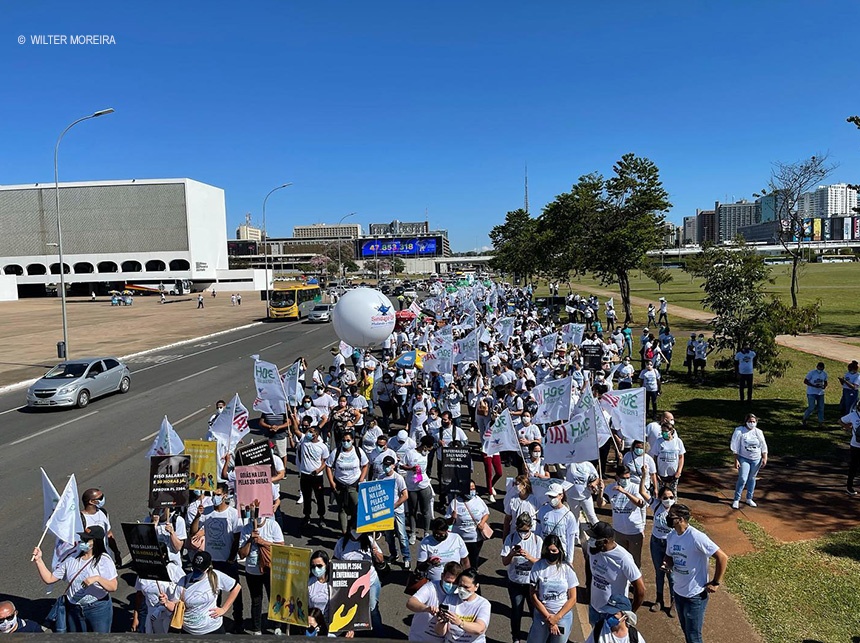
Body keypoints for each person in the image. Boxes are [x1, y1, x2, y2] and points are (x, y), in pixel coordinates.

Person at [33, 525, 117, 633]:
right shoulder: (71, 559)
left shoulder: (103, 560)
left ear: (96, 542)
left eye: (86, 540)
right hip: (75, 608)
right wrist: (39, 560)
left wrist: (97, 579)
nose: (83, 542)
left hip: (97, 608)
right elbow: (49, 578)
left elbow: (113, 586)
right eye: (82, 539)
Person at [663, 504, 728, 643]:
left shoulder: (697, 537)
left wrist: (716, 582)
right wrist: (667, 563)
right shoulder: (671, 536)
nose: (667, 518)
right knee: (686, 631)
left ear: (680, 519)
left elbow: (722, 557)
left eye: (671, 516)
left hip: (695, 596)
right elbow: (668, 556)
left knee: (694, 636)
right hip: (678, 592)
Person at [189, 482, 244, 632]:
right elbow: (194, 531)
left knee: (234, 590)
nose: (215, 497)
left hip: (228, 561)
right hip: (211, 562)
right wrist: (198, 516)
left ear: (225, 495)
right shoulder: (206, 511)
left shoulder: (233, 513)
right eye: (213, 494)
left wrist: (232, 558)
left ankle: (238, 620)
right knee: (213, 592)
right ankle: (215, 619)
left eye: (218, 495)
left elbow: (237, 537)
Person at [163, 550, 242, 636]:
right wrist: (166, 602)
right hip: (189, 631)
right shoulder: (183, 581)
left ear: (208, 568)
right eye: (195, 568)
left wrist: (223, 609)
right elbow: (176, 607)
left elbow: (236, 587)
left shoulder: (216, 576)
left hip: (213, 630)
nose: (196, 572)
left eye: (200, 570)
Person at [238, 506, 285, 635]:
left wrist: (263, 542)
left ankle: (277, 625)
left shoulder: (273, 525)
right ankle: (256, 628)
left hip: (270, 569)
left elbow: (281, 546)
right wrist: (250, 540)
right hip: (252, 571)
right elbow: (242, 554)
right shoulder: (246, 529)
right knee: (256, 600)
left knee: (274, 597)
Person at [526, 535, 579, 643]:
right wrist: (548, 618)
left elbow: (573, 598)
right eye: (548, 550)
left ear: (559, 550)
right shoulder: (538, 566)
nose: (551, 553)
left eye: (554, 550)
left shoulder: (567, 568)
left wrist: (556, 618)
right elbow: (533, 595)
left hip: (562, 617)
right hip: (542, 615)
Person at [501, 513, 543, 643]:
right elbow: (504, 562)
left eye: (525, 530)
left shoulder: (537, 540)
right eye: (520, 530)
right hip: (515, 583)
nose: (523, 533)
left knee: (534, 613)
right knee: (516, 611)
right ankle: (516, 637)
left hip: (531, 584)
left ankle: (535, 636)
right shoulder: (511, 538)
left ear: (530, 527)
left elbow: (541, 563)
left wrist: (529, 557)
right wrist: (512, 553)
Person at [334, 527, 384, 632]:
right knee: (350, 609)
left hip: (370, 582)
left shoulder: (370, 541)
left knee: (372, 609)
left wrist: (375, 552)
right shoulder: (342, 542)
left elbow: (381, 560)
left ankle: (380, 635)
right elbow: (335, 560)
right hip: (350, 583)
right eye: (353, 528)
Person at [597, 466, 647, 568]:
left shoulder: (635, 487)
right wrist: (600, 492)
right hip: (618, 531)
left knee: (635, 560)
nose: (626, 480)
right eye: (624, 478)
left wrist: (625, 492)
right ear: (617, 477)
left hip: (634, 531)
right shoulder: (610, 488)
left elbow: (641, 504)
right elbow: (600, 504)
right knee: (620, 559)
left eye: (628, 478)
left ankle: (635, 582)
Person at [406, 561, 463, 643]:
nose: (451, 585)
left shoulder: (459, 593)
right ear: (442, 576)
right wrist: (427, 608)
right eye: (448, 582)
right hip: (420, 638)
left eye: (455, 583)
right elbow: (411, 602)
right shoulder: (431, 587)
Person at [325, 430, 369, 535]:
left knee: (358, 508)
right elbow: (328, 466)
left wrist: (362, 478)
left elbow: (365, 465)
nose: (346, 442)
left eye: (348, 440)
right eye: (344, 440)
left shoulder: (358, 451)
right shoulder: (336, 452)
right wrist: (331, 482)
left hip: (354, 485)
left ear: (353, 440)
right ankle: (344, 533)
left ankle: (355, 529)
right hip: (340, 485)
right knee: (342, 509)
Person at [644, 486, 676, 616]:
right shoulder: (656, 506)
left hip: (670, 545)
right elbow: (642, 492)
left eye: (671, 497)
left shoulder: (676, 510)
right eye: (665, 497)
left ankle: (674, 602)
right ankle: (659, 600)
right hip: (656, 543)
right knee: (659, 573)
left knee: (671, 575)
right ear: (660, 498)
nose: (668, 500)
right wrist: (645, 475)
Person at [435, 568, 491, 643]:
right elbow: (440, 632)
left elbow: (480, 629)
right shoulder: (450, 599)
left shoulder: (483, 604)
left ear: (476, 587)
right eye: (460, 586)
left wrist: (460, 623)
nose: (462, 590)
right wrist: (442, 622)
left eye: (466, 587)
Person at [294, 419, 330, 530]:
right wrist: (292, 417)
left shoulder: (322, 446)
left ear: (316, 434)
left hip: (317, 477)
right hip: (305, 474)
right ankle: (307, 516)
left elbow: (326, 461)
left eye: (310, 431)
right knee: (307, 496)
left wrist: (319, 470)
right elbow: (295, 430)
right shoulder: (304, 440)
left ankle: (321, 516)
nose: (307, 433)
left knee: (319, 497)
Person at [446, 480, 491, 569]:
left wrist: (482, 523)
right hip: (460, 540)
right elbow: (447, 522)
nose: (472, 491)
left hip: (475, 539)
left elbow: (486, 513)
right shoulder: (455, 503)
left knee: (473, 561)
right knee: (460, 563)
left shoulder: (478, 500)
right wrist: (452, 518)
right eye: (470, 489)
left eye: (474, 488)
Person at [402, 435, 436, 544]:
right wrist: (410, 468)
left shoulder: (427, 453)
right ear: (425, 446)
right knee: (412, 511)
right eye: (430, 448)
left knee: (426, 511)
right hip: (412, 485)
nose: (431, 450)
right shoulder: (410, 453)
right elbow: (401, 465)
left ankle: (426, 532)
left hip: (424, 484)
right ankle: (412, 532)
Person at [730, 414, 768, 509]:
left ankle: (749, 498)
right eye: (750, 421)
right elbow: (735, 445)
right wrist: (736, 459)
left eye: (754, 421)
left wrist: (764, 457)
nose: (752, 423)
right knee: (743, 478)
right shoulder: (740, 431)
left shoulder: (758, 432)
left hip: (756, 459)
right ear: (746, 422)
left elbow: (763, 445)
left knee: (752, 478)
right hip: (744, 458)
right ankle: (736, 499)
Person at [379, 455, 411, 566]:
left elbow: (405, 495)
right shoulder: (381, 478)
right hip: (386, 512)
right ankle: (394, 554)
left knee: (402, 535)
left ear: (393, 466)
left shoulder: (398, 478)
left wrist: (394, 506)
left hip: (398, 511)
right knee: (388, 536)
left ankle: (406, 557)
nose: (386, 467)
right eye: (385, 465)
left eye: (388, 465)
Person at [536, 483, 578, 566]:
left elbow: (570, 539)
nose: (552, 499)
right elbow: (538, 531)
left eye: (554, 496)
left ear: (561, 496)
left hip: (560, 554)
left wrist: (569, 560)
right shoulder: (542, 510)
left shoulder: (569, 516)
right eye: (550, 496)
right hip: (544, 551)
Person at [417, 518, 470, 582]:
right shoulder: (425, 542)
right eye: (435, 533)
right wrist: (428, 562)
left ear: (446, 531)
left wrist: (468, 577)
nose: (437, 536)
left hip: (455, 581)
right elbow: (419, 566)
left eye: (440, 534)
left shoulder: (456, 538)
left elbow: (465, 561)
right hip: (435, 582)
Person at [80, 487, 123, 562]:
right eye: (100, 497)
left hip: (106, 557)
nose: (103, 499)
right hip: (91, 561)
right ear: (92, 501)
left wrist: (116, 552)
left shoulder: (103, 512)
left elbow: (109, 534)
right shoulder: (81, 519)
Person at [653, 421, 685, 494]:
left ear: (671, 431)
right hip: (661, 473)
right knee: (661, 493)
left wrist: (679, 471)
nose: (664, 433)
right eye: (662, 431)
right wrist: (656, 472)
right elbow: (655, 457)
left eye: (666, 431)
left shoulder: (678, 442)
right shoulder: (658, 442)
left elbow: (681, 457)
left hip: (674, 474)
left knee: (672, 492)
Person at [839, 400, 860, 496]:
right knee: (853, 466)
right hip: (855, 445)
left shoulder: (853, 415)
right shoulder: (853, 415)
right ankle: (849, 486)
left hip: (855, 445)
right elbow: (840, 421)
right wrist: (847, 426)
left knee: (854, 466)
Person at [802, 361, 829, 427]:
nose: (820, 370)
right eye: (819, 368)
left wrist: (824, 386)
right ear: (817, 367)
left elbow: (825, 382)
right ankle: (804, 418)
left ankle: (820, 422)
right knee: (811, 407)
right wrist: (813, 385)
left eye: (822, 369)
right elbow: (805, 381)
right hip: (811, 392)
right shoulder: (812, 373)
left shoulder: (824, 374)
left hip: (820, 393)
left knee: (821, 408)